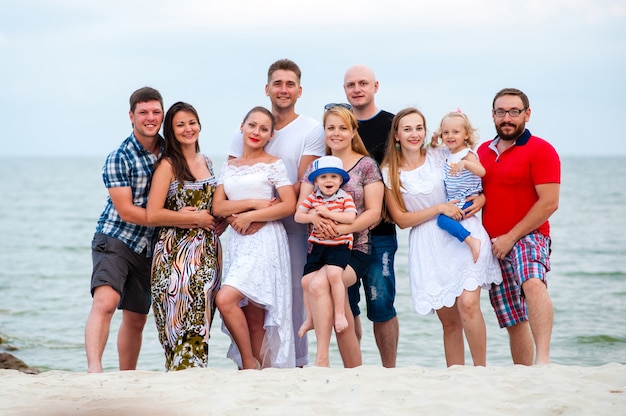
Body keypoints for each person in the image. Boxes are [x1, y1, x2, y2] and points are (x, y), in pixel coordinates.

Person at [381, 107, 502, 366]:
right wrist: (438, 208)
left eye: (419, 128)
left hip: (463, 232)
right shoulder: (390, 171)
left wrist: (481, 199)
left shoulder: (441, 155)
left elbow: (475, 180)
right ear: (396, 135)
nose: (414, 134)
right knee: (449, 321)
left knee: (469, 304)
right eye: (407, 129)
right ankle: (455, 375)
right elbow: (401, 220)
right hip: (427, 245)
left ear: (426, 131)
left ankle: (482, 370)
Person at [227, 59, 325, 367]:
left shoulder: (311, 129)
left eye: (290, 84)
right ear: (267, 88)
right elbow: (231, 183)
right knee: (247, 300)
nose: (283, 90)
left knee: (292, 299)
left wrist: (261, 214)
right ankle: (252, 361)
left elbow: (303, 181)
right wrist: (239, 217)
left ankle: (294, 362)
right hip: (243, 232)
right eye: (278, 83)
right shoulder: (243, 131)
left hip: (293, 227)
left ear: (299, 90)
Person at [477, 88, 560, 365]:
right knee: (513, 317)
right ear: (493, 115)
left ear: (527, 114)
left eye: (514, 111)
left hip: (529, 236)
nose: (507, 118)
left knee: (533, 283)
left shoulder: (542, 150)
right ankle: (525, 373)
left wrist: (511, 237)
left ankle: (544, 361)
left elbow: (549, 203)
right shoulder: (482, 152)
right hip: (494, 244)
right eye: (501, 112)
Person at [85, 87, 165, 373]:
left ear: (162, 115)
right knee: (106, 302)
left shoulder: (170, 153)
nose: (150, 118)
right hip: (116, 238)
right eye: (143, 112)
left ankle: (126, 376)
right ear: (132, 116)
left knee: (136, 317)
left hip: (149, 246)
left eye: (156, 112)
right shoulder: (119, 156)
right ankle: (94, 370)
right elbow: (126, 210)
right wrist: (178, 218)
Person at [299, 106, 384, 368]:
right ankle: (354, 369)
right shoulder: (317, 167)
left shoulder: (367, 165)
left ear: (353, 131)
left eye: (342, 128)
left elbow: (374, 213)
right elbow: (303, 206)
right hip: (321, 247)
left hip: (355, 248)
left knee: (319, 285)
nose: (336, 133)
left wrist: (343, 229)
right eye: (331, 128)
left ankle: (321, 357)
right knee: (338, 304)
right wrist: (315, 220)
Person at [214, 106, 297, 370]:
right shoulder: (228, 166)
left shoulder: (274, 164)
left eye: (263, 128)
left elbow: (288, 205)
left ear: (270, 135)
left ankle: (251, 363)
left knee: (226, 299)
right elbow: (218, 208)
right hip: (239, 241)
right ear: (242, 126)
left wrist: (250, 216)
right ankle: (252, 368)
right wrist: (253, 203)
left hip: (265, 240)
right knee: (249, 312)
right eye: (252, 125)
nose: (256, 132)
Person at [146, 102, 227, 371]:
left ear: (200, 126)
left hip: (206, 255)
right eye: (180, 124)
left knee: (201, 320)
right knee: (176, 320)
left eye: (192, 122)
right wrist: (192, 218)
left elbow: (213, 208)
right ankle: (180, 375)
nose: (188, 129)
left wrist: (222, 221)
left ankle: (195, 376)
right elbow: (153, 214)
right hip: (174, 256)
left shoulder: (208, 162)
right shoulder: (167, 165)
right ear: (171, 130)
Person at [341, 64, 399, 368]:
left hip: (381, 232)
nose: (357, 89)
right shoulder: (340, 125)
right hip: (341, 236)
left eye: (363, 83)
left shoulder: (392, 125)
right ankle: (355, 369)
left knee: (381, 304)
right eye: (351, 84)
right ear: (344, 90)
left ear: (376, 85)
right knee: (347, 307)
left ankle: (389, 370)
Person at [294, 156, 357, 345]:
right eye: (323, 177)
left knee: (334, 275)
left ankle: (339, 315)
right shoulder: (313, 198)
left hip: (339, 244)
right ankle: (310, 319)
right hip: (319, 246)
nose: (328, 181)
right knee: (306, 281)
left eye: (333, 177)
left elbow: (351, 218)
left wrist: (328, 214)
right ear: (316, 182)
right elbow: (298, 215)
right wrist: (312, 217)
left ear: (340, 180)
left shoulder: (345, 197)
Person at [433, 110, 485, 263]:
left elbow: (482, 171)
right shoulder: (448, 153)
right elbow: (434, 152)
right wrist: (434, 143)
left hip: (466, 197)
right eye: (446, 132)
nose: (450, 136)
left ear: (466, 134)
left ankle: (470, 240)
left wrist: (466, 164)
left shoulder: (467, 154)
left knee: (442, 221)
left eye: (455, 132)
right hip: (454, 198)